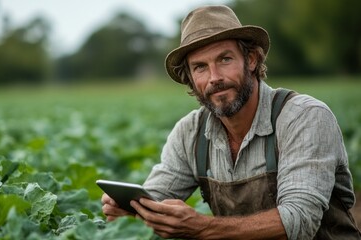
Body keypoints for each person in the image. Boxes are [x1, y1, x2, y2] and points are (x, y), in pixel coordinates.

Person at [101, 5, 361, 239]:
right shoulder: (190, 133)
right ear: (190, 78)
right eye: (200, 67)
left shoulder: (304, 117)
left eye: (224, 59)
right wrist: (131, 212)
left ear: (250, 60)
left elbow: (300, 221)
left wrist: (201, 227)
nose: (214, 77)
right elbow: (153, 199)